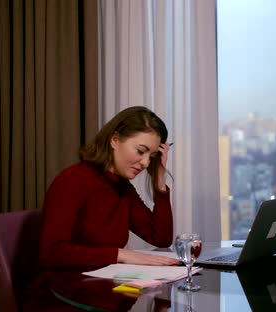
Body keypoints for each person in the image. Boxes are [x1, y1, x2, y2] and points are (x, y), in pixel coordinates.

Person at [23, 106, 177, 311]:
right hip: (58, 300)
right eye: (141, 151)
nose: (145, 162)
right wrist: (121, 254)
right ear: (115, 140)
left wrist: (158, 182)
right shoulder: (73, 180)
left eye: (152, 156)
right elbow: (52, 251)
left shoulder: (122, 187)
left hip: (102, 294)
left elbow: (160, 237)